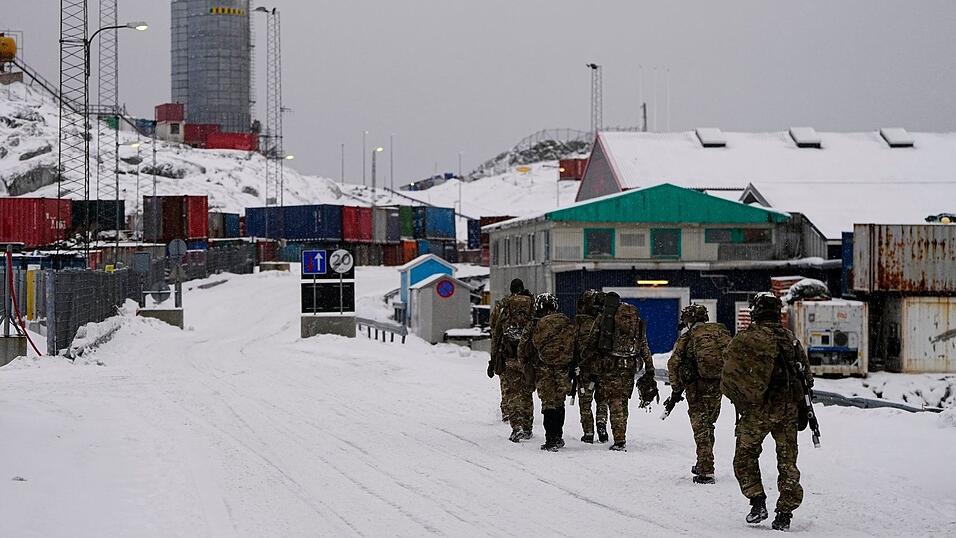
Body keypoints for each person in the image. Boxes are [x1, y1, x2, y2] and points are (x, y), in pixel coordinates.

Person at [721, 292, 814, 531]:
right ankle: (784, 513)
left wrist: (744, 397)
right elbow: (807, 377)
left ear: (756, 312)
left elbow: (730, 374)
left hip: (757, 411)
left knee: (745, 456)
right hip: (788, 410)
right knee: (788, 462)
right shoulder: (790, 338)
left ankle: (757, 501)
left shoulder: (747, 338)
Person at [582, 292, 657, 452]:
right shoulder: (634, 319)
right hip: (629, 366)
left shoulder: (605, 318)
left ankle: (619, 440)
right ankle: (622, 431)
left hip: (610, 366)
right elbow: (644, 345)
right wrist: (650, 368)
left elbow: (592, 340)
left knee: (614, 401)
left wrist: (587, 359)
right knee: (623, 401)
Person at [665, 303, 731, 484]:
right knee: (709, 425)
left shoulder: (688, 337)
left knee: (701, 429)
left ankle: (706, 470)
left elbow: (673, 364)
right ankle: (703, 462)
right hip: (718, 386)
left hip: (696, 388)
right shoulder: (720, 333)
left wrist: (676, 388)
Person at [518, 293, 575, 452]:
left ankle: (550, 439)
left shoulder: (535, 324)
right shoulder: (565, 321)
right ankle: (558, 436)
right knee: (559, 402)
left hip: (542, 368)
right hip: (563, 368)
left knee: (548, 403)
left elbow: (523, 347)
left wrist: (525, 366)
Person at [488, 279, 535, 442]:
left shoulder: (504, 304)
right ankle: (528, 427)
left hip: (508, 355)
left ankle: (517, 427)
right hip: (527, 356)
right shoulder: (532, 303)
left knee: (513, 392)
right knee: (527, 392)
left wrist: (493, 359)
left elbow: (495, 331)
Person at [573, 290, 610, 443]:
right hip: (603, 368)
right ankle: (601, 423)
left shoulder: (580, 324)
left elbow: (573, 347)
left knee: (585, 401)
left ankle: (588, 432)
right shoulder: (605, 323)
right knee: (602, 399)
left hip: (585, 369)